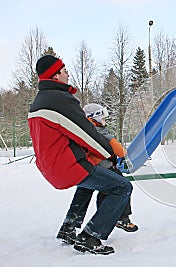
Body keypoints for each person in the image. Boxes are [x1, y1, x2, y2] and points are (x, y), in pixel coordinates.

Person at [28, 54, 133, 255]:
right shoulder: (59, 100)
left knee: (88, 184)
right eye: (64, 70)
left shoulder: (39, 101)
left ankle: (69, 227)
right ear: (55, 75)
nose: (68, 73)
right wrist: (110, 154)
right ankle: (91, 236)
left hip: (51, 167)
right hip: (68, 164)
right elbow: (86, 133)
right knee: (121, 187)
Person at [57, 103, 138, 246]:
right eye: (102, 117)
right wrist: (125, 154)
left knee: (85, 188)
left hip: (83, 167)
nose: (104, 121)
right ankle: (121, 218)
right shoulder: (99, 130)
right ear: (94, 118)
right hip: (101, 167)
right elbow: (118, 150)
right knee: (121, 185)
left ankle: (69, 226)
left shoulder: (82, 128)